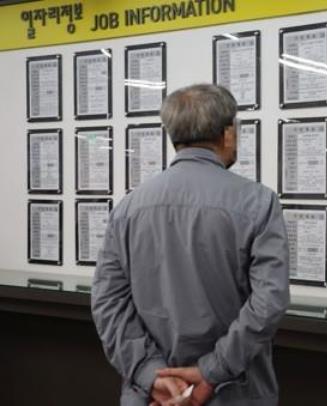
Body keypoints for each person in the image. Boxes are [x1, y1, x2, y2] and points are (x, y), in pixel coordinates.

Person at [91, 84, 290, 406]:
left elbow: (108, 302)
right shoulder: (258, 202)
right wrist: (211, 371)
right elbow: (269, 303)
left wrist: (150, 374)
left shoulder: (129, 207)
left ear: (174, 137)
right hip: (233, 392)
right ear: (227, 134)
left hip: (151, 397)